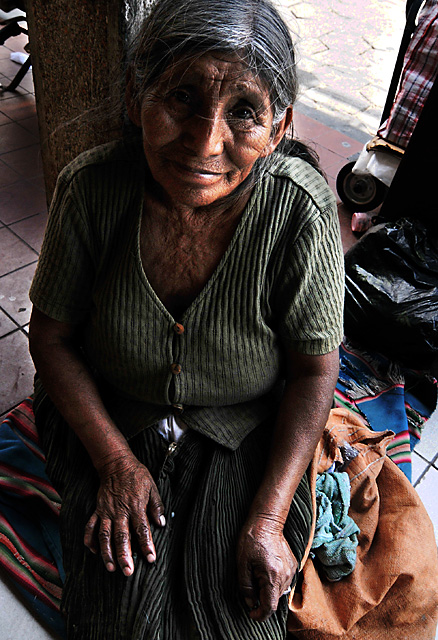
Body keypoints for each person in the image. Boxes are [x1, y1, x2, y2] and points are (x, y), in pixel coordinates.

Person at [27, 0, 344, 637]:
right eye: (180, 97)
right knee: (120, 615)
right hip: (114, 416)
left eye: (244, 112)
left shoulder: (299, 211)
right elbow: (53, 340)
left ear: (279, 128)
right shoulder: (90, 188)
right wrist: (115, 461)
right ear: (133, 97)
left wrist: (267, 520)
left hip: (245, 429)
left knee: (237, 609)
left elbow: (314, 373)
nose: (205, 142)